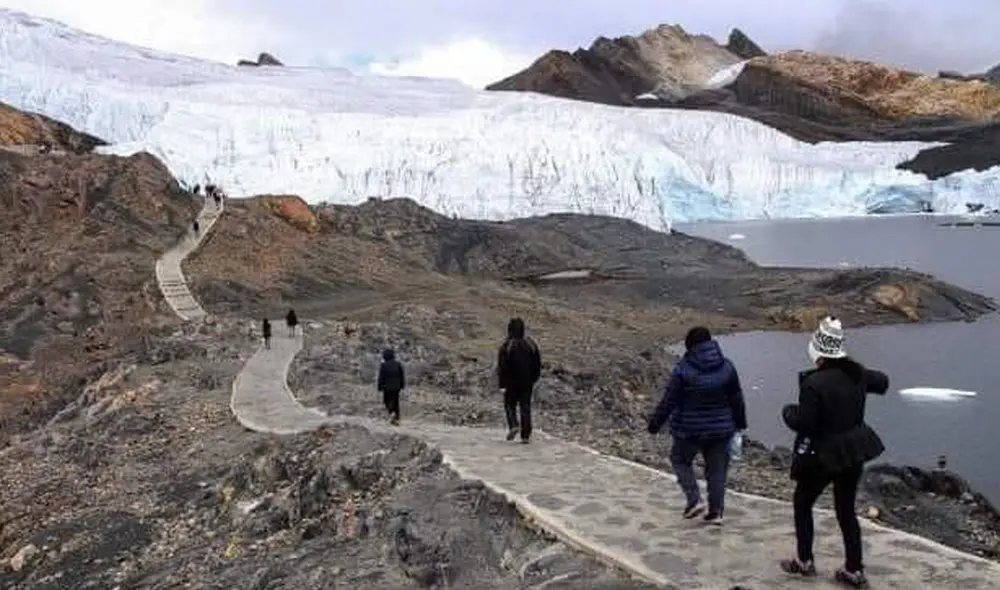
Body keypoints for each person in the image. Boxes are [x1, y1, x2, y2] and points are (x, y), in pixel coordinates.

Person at [779, 316, 888, 588]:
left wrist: (788, 412)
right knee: (845, 510)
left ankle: (804, 561)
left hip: (823, 455)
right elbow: (883, 382)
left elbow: (806, 422)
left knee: (803, 503)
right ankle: (854, 569)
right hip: (853, 452)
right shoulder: (856, 374)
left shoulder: (815, 384)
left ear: (817, 352)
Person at [647, 326, 747, 526]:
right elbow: (737, 399)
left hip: (689, 430)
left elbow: (669, 401)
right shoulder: (727, 367)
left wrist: (654, 425)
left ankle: (694, 500)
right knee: (717, 471)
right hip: (721, 431)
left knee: (680, 460)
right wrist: (740, 424)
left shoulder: (683, 369)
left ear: (690, 346)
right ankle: (716, 512)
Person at [497, 317, 542, 443]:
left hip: (511, 382)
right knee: (525, 406)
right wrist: (534, 378)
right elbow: (537, 363)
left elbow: (502, 366)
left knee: (510, 405)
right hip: (527, 381)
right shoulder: (531, 344)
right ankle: (525, 435)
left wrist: (502, 384)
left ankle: (513, 425)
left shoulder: (507, 345)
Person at [377, 348, 405, 425]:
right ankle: (397, 417)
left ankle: (391, 413)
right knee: (396, 401)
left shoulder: (383, 365)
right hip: (396, 387)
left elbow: (381, 377)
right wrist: (402, 385)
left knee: (387, 401)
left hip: (387, 387)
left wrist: (379, 387)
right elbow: (401, 376)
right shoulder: (398, 364)